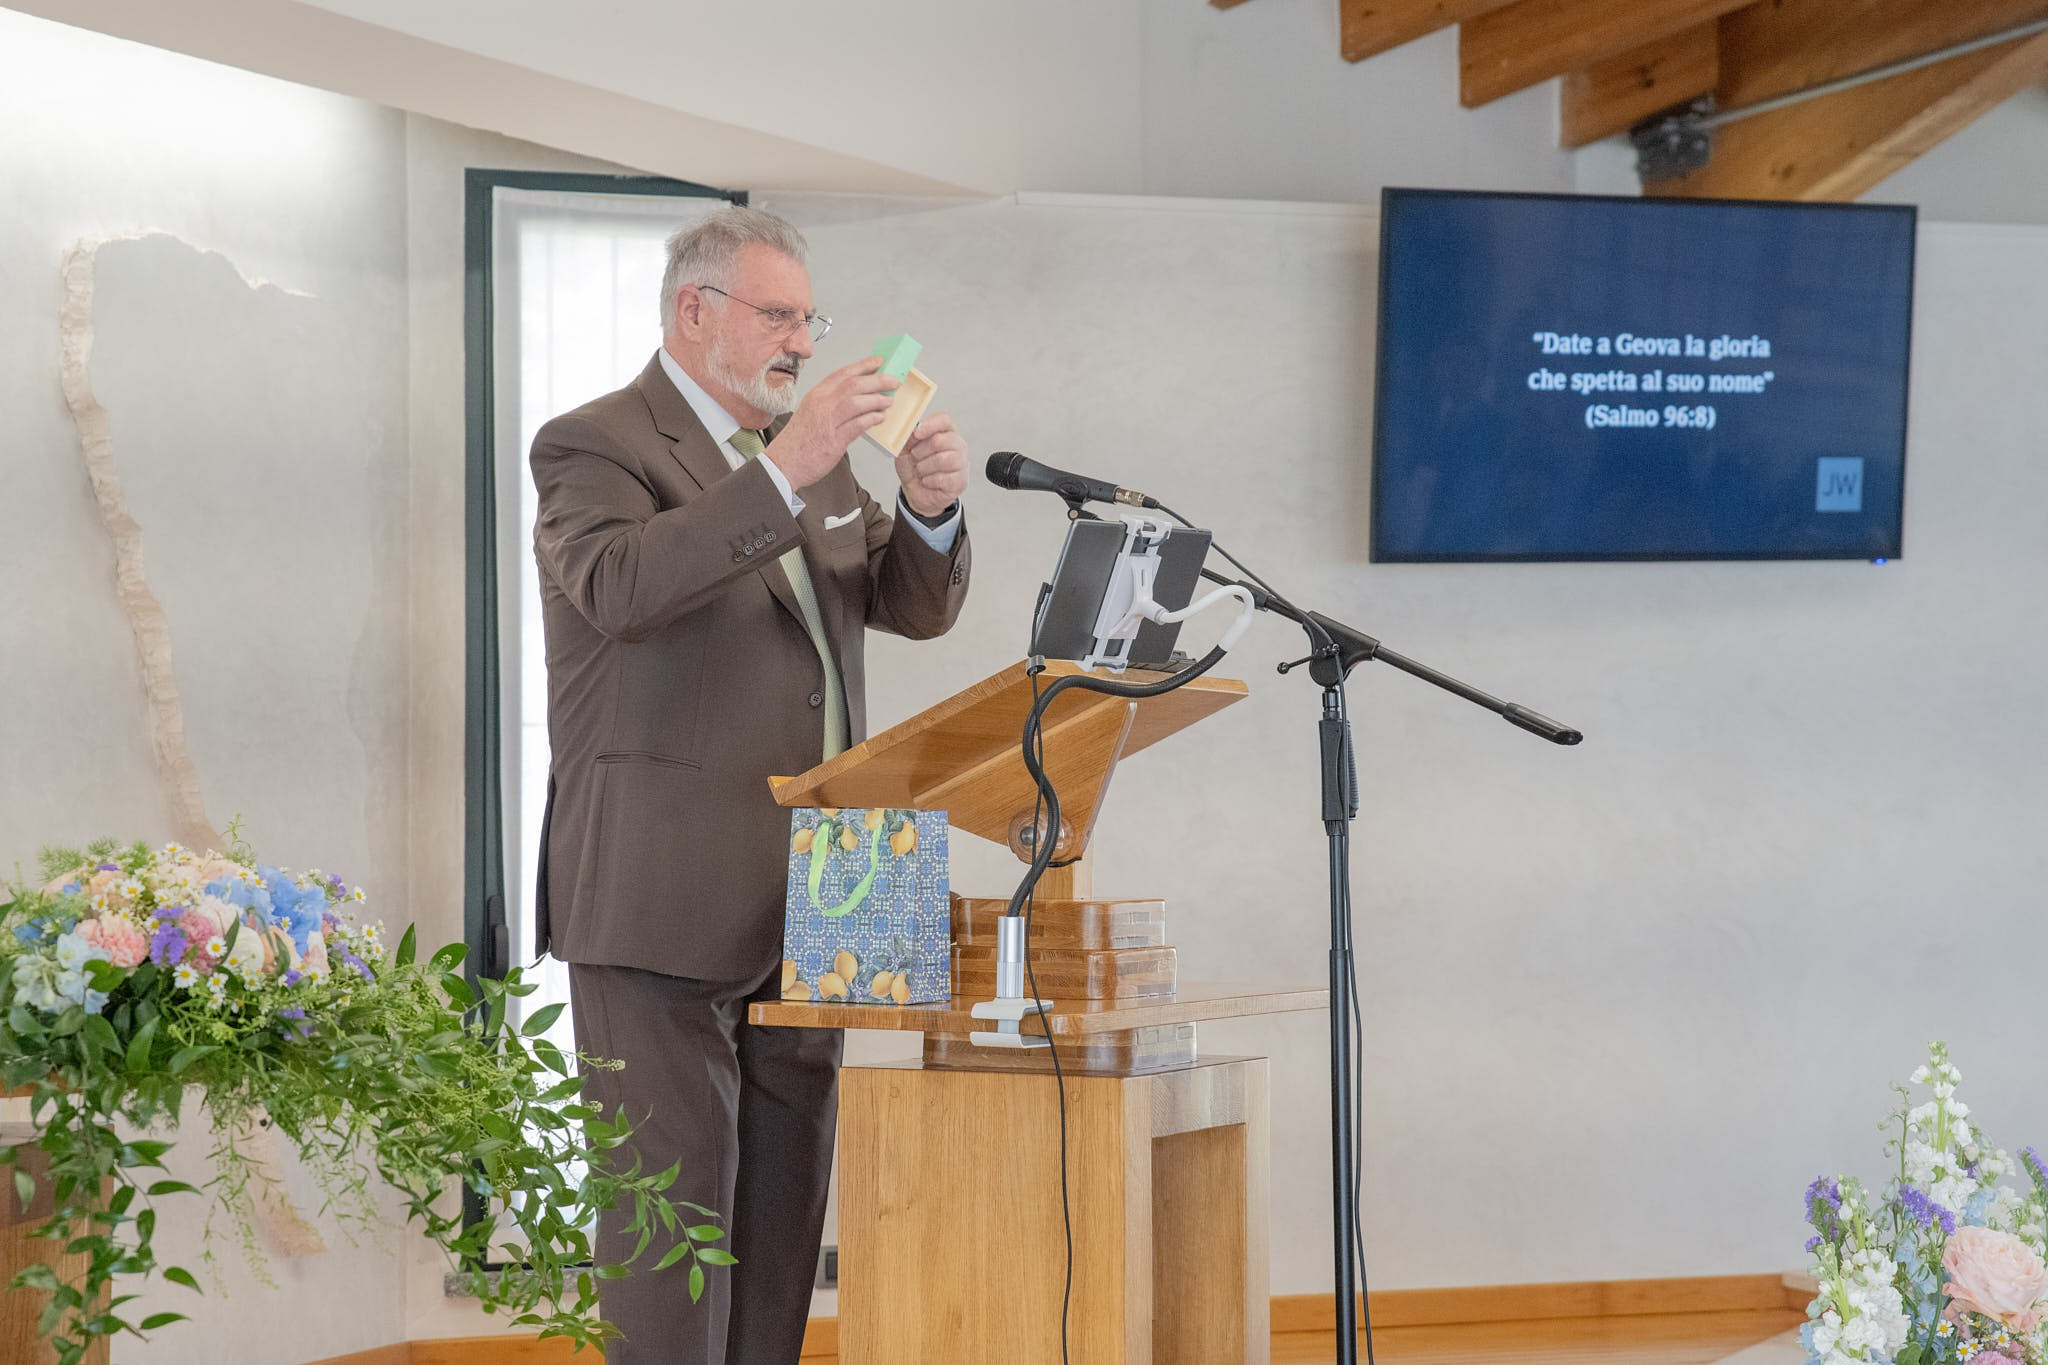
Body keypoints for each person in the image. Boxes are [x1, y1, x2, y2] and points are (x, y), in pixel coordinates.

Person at [528, 204, 970, 1364]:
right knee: (668, 1237)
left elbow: (904, 606)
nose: (801, 344)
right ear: (695, 310)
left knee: (782, 1229)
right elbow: (620, 588)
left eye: (808, 321)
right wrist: (783, 470)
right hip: (660, 889)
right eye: (778, 317)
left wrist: (929, 514)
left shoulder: (807, 460)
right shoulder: (592, 444)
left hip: (830, 890)